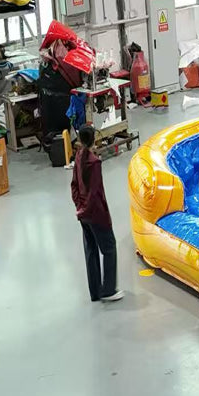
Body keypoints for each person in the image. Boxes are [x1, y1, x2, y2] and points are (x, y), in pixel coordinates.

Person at [71, 124, 122, 302]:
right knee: (109, 248)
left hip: (83, 214)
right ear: (94, 139)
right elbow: (96, 192)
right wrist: (102, 215)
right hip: (95, 214)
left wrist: (79, 206)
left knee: (91, 250)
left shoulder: (78, 157)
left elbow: (74, 185)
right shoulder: (94, 162)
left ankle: (95, 292)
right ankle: (108, 289)